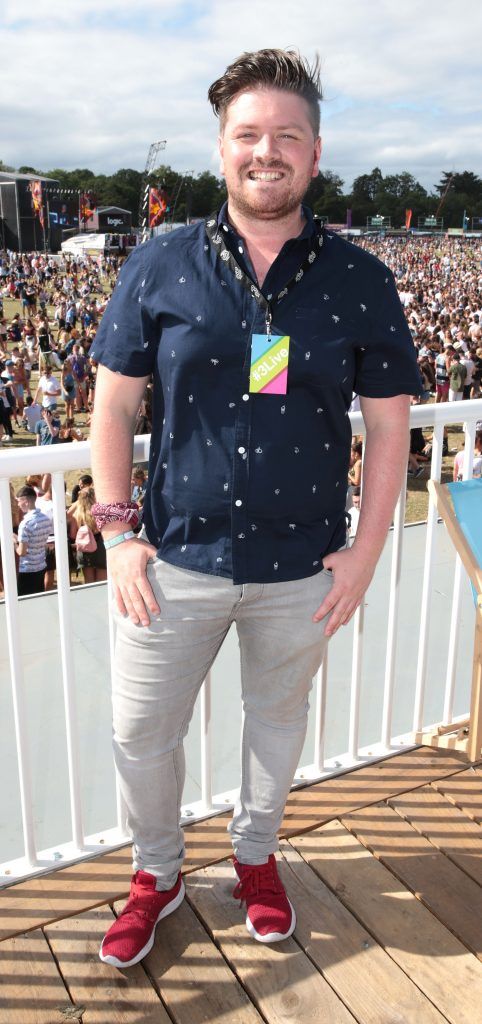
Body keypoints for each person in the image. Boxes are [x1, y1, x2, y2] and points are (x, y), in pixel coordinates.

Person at [89, 47, 421, 969]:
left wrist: (366, 552)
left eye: (286, 135)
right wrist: (118, 536)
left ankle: (256, 857)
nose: (265, 150)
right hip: (172, 563)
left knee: (277, 726)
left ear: (315, 153)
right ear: (221, 148)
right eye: (247, 134)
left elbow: (389, 431)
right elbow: (112, 405)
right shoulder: (160, 262)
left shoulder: (360, 279)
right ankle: (156, 875)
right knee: (139, 733)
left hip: (302, 569)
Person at [15, 485, 51, 596]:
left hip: (27, 569)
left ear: (25, 501)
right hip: (41, 565)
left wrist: (13, 543)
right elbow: (36, 540)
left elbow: (22, 552)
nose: (18, 505)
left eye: (19, 501)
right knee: (38, 599)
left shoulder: (25, 523)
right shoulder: (45, 519)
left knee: (24, 602)